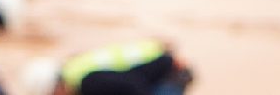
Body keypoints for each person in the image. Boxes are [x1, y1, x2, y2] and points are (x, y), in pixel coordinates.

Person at [19, 40, 193, 95]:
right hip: (162, 63)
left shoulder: (88, 82)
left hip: (171, 73)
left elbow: (135, 86)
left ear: (56, 87)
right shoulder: (74, 68)